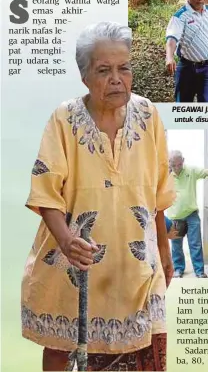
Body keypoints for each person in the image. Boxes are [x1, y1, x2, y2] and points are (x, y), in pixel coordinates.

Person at [22, 21, 175, 371]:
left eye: (124, 68)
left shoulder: (149, 115)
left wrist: (164, 250)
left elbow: (158, 190)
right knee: (61, 345)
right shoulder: (64, 119)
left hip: (136, 262)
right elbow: (46, 193)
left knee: (144, 341)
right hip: (74, 262)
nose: (117, 78)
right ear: (84, 77)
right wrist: (66, 240)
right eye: (104, 70)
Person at [167, 151, 208, 278]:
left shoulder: (191, 170)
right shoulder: (165, 174)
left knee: (196, 244)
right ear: (169, 163)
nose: (177, 168)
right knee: (176, 246)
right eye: (173, 165)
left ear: (183, 160)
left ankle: (199, 271)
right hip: (175, 215)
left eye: (179, 164)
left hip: (191, 214)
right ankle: (178, 269)